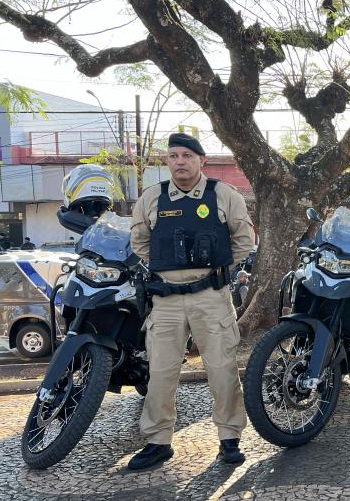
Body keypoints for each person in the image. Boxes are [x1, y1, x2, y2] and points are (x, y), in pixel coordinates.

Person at [127, 132, 255, 471]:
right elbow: (140, 242)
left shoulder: (223, 195)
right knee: (160, 372)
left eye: (187, 155)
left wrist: (215, 269)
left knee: (222, 370)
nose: (180, 162)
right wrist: (171, 268)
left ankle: (229, 437)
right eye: (174, 156)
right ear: (168, 161)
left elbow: (244, 240)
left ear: (201, 160)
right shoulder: (152, 197)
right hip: (166, 300)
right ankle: (158, 441)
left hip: (211, 297)